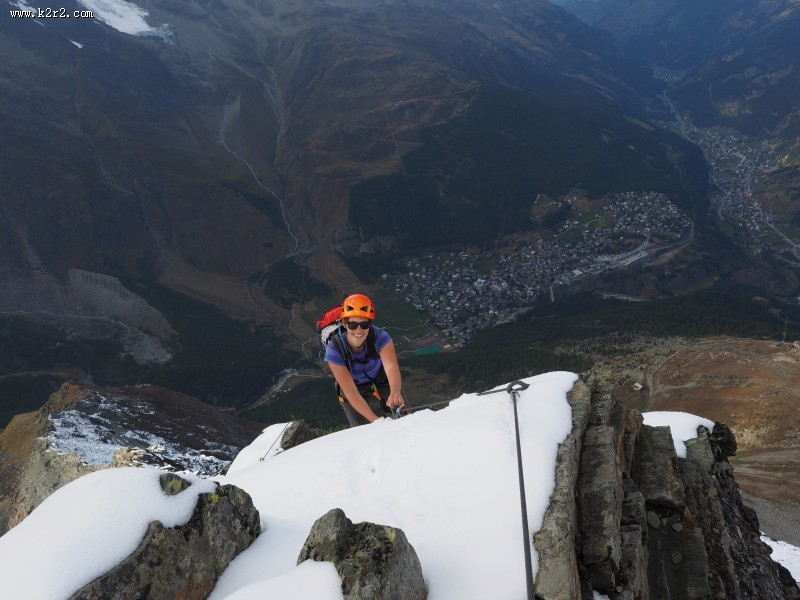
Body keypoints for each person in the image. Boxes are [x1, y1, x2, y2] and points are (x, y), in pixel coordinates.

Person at [324, 293, 405, 426]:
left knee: (403, 417)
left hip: (380, 377)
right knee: (363, 431)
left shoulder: (381, 337)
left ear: (370, 324)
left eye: (364, 324)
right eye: (353, 325)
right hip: (352, 386)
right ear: (344, 324)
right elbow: (351, 393)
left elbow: (391, 368)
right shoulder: (334, 349)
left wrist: (395, 392)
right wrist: (375, 420)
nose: (359, 330)